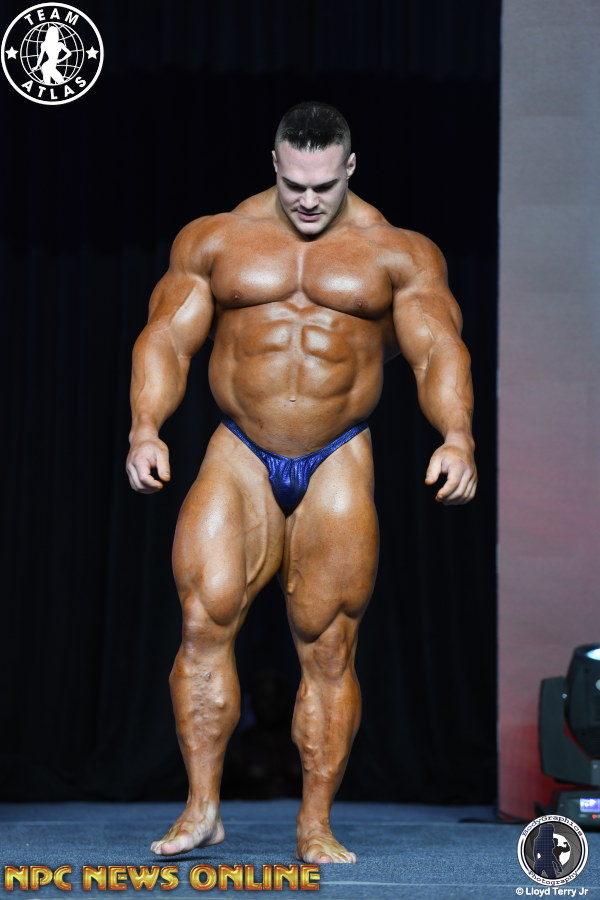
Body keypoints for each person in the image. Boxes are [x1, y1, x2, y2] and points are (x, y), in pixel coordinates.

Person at [126, 101, 477, 864]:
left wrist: (458, 436)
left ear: (350, 167)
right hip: (239, 450)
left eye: (323, 185)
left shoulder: (397, 252)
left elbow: (436, 349)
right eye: (294, 185)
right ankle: (202, 808)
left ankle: (315, 824)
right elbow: (166, 339)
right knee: (202, 622)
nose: (308, 200)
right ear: (274, 167)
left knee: (328, 646)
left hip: (338, 453)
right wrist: (145, 428)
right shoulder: (215, 239)